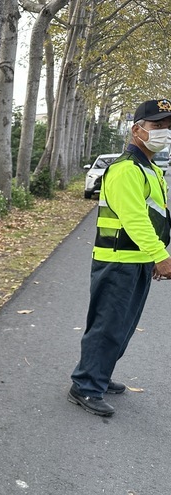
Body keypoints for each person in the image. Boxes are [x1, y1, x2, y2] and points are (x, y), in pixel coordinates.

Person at [68, 99, 171, 417]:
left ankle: (98, 372)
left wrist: (152, 254)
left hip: (135, 258)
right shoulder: (127, 169)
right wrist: (161, 255)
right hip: (118, 260)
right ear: (136, 130)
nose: (164, 133)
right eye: (157, 127)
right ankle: (85, 385)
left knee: (123, 325)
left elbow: (157, 215)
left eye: (167, 128)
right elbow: (135, 218)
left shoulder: (149, 168)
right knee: (108, 325)